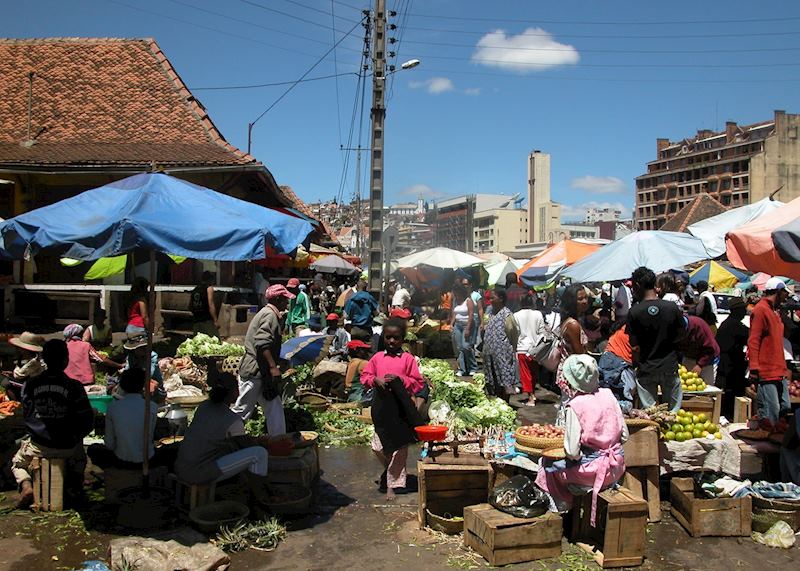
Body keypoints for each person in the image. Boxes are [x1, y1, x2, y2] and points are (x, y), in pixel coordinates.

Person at [535, 354, 627, 525]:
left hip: (592, 472)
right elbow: (625, 436)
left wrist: (584, 454)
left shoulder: (576, 405)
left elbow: (572, 452)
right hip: (616, 467)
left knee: (546, 465)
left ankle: (561, 511)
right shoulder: (608, 395)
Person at [12, 340, 94, 509]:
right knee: (80, 460)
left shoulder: (30, 384)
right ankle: (74, 485)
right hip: (68, 447)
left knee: (17, 463)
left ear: (44, 359)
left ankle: (26, 485)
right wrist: (75, 437)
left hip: (39, 446)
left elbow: (26, 416)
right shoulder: (74, 386)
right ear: (66, 360)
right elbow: (86, 420)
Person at [360, 317, 425, 501]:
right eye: (388, 337)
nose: (391, 341)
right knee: (378, 446)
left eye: (396, 338)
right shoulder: (377, 358)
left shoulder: (408, 359)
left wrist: (401, 380)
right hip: (381, 409)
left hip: (401, 409)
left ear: (402, 339)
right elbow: (365, 377)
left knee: (398, 448)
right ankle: (389, 470)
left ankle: (392, 485)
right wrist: (375, 380)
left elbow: (417, 383)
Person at [175, 371, 272, 491]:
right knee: (259, 453)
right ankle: (259, 495)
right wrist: (263, 442)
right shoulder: (233, 420)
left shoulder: (203, 406)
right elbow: (245, 446)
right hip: (198, 472)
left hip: (181, 466)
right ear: (234, 392)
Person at [232, 284, 294, 436]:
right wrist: (273, 367)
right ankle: (224, 437)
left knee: (274, 406)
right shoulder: (269, 315)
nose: (287, 303)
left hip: (261, 372)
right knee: (242, 410)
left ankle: (278, 440)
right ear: (278, 299)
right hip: (254, 370)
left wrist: (277, 362)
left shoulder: (270, 314)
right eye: (285, 299)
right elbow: (262, 343)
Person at [626, 266, 686, 412]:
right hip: (669, 367)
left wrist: (637, 365)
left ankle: (654, 435)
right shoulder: (672, 308)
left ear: (638, 285)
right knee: (673, 413)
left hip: (646, 368)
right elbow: (682, 336)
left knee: (651, 414)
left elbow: (635, 347)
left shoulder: (634, 312)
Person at [87, 367, 159, 469]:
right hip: (147, 460)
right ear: (142, 385)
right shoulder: (152, 406)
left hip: (121, 460)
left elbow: (110, 444)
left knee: (93, 449)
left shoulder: (113, 407)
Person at [748, 277, 791, 426]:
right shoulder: (761, 310)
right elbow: (754, 340)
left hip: (779, 370)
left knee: (785, 407)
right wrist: (754, 368)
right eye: (785, 293)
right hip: (767, 371)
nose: (787, 297)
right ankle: (768, 443)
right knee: (771, 412)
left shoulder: (774, 312)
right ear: (778, 292)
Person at [555, 284, 589, 410]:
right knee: (573, 410)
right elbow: (580, 355)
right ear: (571, 301)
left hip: (569, 372)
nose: (584, 301)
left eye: (585, 298)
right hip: (573, 374)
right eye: (580, 299)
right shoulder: (573, 325)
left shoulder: (570, 321)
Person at [715, 297, 750, 417]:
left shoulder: (729, 323)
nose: (745, 312)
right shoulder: (734, 325)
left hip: (728, 364)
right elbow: (750, 335)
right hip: (730, 365)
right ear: (737, 310)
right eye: (743, 309)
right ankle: (729, 413)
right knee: (731, 391)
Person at [482, 287, 519, 400]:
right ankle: (496, 399)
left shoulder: (507, 315)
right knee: (493, 377)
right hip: (490, 353)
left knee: (504, 377)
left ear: (501, 299)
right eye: (490, 298)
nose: (491, 300)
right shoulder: (491, 313)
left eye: (493, 298)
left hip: (502, 354)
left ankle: (505, 401)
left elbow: (513, 334)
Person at [597, 322, 637, 413]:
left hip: (610, 359)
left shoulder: (624, 328)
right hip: (618, 364)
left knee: (610, 397)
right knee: (621, 402)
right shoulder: (635, 328)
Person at [514, 294, 545, 406]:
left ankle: (531, 398)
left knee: (525, 375)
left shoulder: (516, 315)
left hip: (522, 348)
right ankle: (533, 394)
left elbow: (515, 332)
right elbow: (542, 331)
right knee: (534, 374)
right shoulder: (538, 314)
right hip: (536, 349)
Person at [122, 334, 165, 403]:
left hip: (150, 381)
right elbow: (127, 371)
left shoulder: (152, 356)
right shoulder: (131, 357)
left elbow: (149, 373)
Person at [678, 315, 720, 386]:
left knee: (706, 387)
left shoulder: (697, 325)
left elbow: (710, 348)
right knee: (686, 384)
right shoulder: (676, 328)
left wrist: (700, 365)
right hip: (689, 356)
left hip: (708, 359)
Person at [450, 283, 477, 377]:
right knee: (459, 348)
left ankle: (473, 367)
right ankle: (462, 368)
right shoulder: (455, 301)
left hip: (467, 325)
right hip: (458, 325)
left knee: (466, 347)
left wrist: (468, 328)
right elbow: (454, 313)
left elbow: (471, 314)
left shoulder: (468, 300)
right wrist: (451, 324)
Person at [191, 271, 219, 336]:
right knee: (215, 340)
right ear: (210, 279)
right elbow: (211, 305)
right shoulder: (209, 288)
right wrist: (215, 320)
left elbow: (190, 306)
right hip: (206, 319)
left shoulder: (195, 289)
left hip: (196, 319)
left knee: (198, 341)